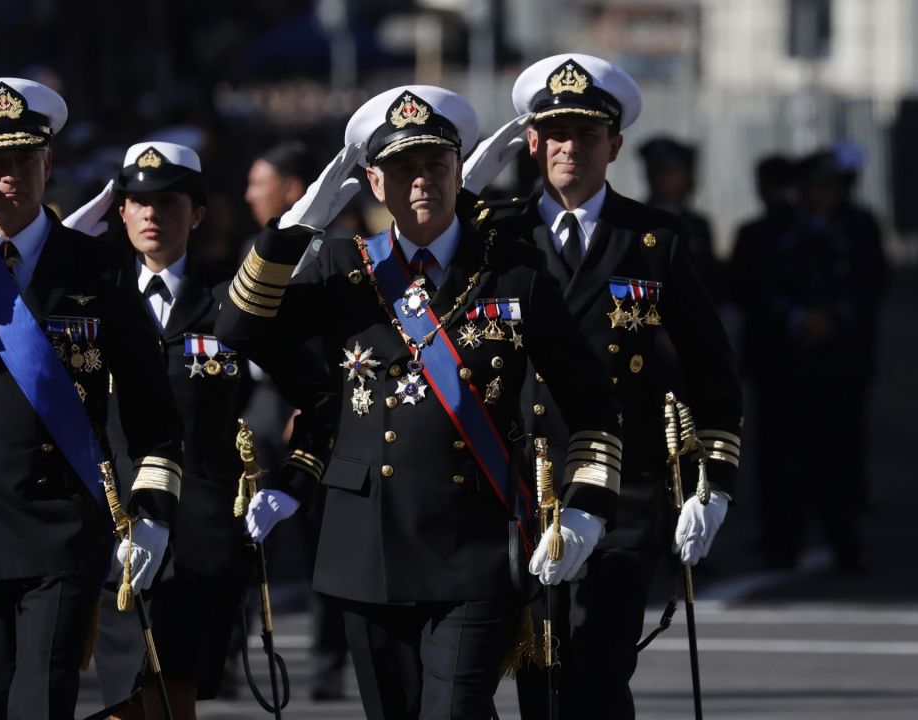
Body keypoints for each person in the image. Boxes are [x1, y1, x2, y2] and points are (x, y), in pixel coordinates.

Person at [215, 84, 624, 719]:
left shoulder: (513, 273)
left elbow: (592, 400)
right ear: (375, 183)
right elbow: (238, 329)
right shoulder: (342, 270)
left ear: (459, 172)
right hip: (369, 544)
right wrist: (289, 234)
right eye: (404, 168)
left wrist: (586, 506)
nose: (422, 181)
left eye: (436, 164)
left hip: (475, 543)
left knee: (454, 710)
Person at [462, 54, 743, 720]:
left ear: (614, 146)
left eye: (587, 135)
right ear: (533, 144)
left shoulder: (652, 239)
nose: (571, 148)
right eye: (556, 134)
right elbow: (421, 261)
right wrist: (468, 181)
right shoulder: (497, 235)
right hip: (521, 486)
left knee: (599, 666)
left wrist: (713, 484)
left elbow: (711, 369)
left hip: (624, 490)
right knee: (540, 673)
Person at [0, 77, 183, 720]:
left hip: (62, 525)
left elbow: (152, 406)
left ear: (49, 163)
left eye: (24, 159)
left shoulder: (100, 268)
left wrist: (153, 512)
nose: (9, 176)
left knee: (42, 706)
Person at [64, 141, 256, 718]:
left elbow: (287, 390)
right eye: (138, 202)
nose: (152, 214)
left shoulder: (230, 297)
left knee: (174, 697)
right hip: (111, 517)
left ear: (197, 214)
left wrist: (283, 476)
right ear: (120, 211)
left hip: (198, 524)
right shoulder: (90, 295)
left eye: (169, 202)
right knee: (121, 699)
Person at [240, 139, 351, 701]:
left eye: (259, 183)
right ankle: (229, 651)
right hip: (259, 406)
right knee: (244, 532)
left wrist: (304, 410)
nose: (248, 195)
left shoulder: (332, 251)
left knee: (323, 540)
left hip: (313, 403)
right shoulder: (257, 247)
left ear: (291, 190)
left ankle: (329, 658)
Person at [743, 149, 886, 571]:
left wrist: (834, 317)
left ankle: (844, 539)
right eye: (812, 188)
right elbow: (758, 285)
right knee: (788, 454)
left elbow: (872, 281)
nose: (820, 196)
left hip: (840, 359)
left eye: (827, 188)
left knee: (841, 453)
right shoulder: (778, 230)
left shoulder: (857, 227)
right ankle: (784, 540)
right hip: (789, 362)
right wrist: (795, 317)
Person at [639, 135, 723, 301]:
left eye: (678, 173)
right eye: (667, 174)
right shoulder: (637, 219)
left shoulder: (698, 224)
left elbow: (709, 277)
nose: (670, 181)